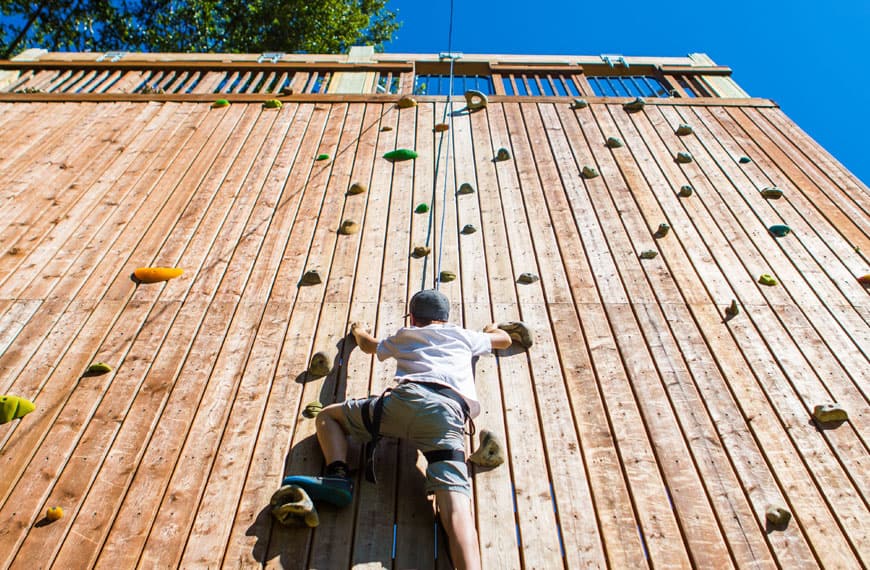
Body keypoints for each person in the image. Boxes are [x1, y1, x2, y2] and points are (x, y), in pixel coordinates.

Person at [282, 289, 512, 570]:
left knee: (327, 417)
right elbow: (505, 340)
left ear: (412, 317)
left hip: (402, 403)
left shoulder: (406, 334)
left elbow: (369, 346)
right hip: (446, 416)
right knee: (457, 515)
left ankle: (337, 475)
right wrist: (491, 330)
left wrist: (358, 331)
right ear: (445, 318)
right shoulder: (464, 336)